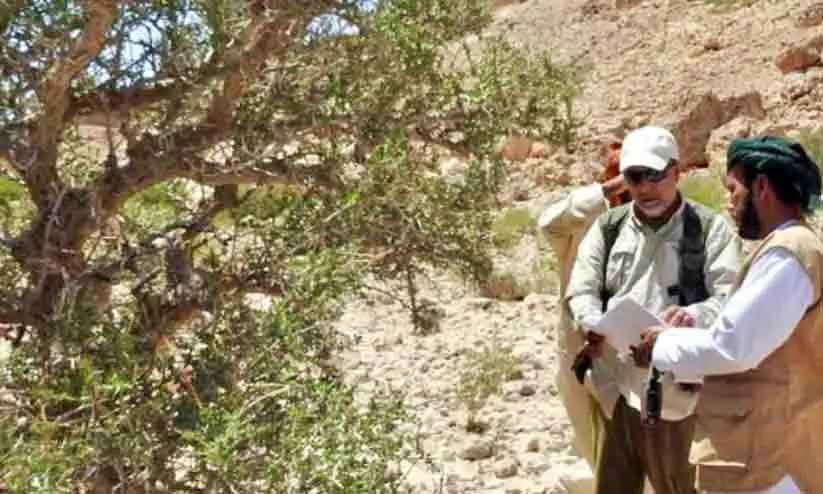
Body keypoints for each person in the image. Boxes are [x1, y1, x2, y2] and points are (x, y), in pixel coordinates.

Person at [630, 135, 823, 494]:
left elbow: (734, 347)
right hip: (766, 450)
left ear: (761, 187)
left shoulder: (789, 252)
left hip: (771, 461)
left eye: (733, 189)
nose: (729, 201)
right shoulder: (788, 248)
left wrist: (662, 346)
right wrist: (692, 323)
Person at [565, 125, 742, 494]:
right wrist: (593, 322)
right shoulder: (608, 229)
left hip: (679, 398)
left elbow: (730, 301)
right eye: (635, 177)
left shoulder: (710, 230)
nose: (645, 188)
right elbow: (580, 292)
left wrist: (691, 318)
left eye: (655, 175)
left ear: (676, 172)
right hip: (615, 389)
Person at [536, 139, 629, 476]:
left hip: (625, 357)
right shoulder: (583, 223)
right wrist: (606, 191)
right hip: (575, 349)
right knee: (590, 442)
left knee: (630, 448)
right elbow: (547, 222)